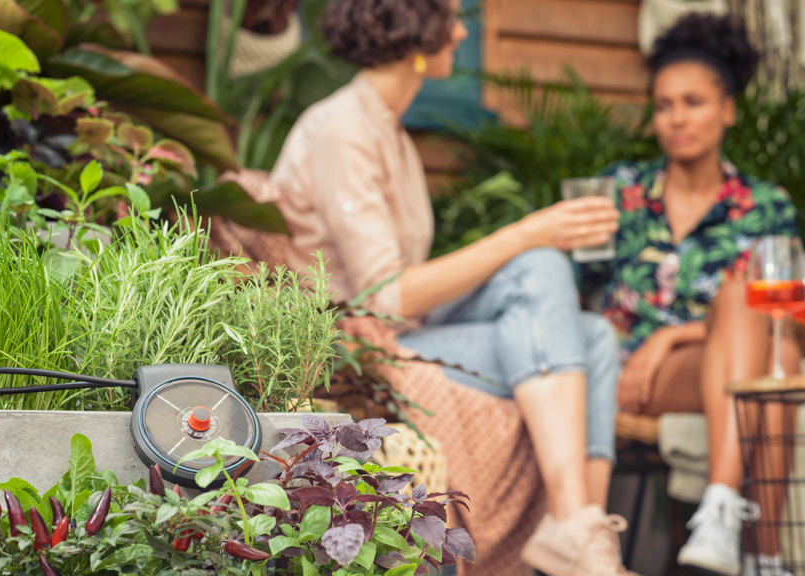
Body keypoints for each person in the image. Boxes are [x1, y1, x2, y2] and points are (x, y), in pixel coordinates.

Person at [268, 0, 634, 574]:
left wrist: (528, 241)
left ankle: (584, 532)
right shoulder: (341, 129)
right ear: (417, 33)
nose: (462, 31)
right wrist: (526, 232)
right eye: (453, 18)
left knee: (593, 332)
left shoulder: (385, 128)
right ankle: (572, 522)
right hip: (358, 347)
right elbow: (385, 297)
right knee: (541, 265)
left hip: (407, 329)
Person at [590, 13, 802, 576]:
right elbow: (571, 291)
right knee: (771, 354)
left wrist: (672, 335)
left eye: (694, 102)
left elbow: (785, 313)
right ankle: (761, 551)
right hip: (636, 373)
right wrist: (645, 345)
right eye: (664, 105)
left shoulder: (764, 205)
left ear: (728, 110)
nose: (677, 118)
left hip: (710, 356)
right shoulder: (622, 191)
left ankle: (727, 520)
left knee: (769, 339)